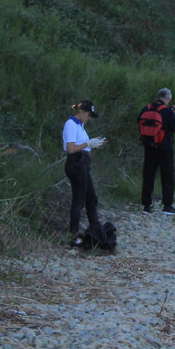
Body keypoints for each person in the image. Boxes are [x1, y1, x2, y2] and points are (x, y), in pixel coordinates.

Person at [63, 100, 106, 246]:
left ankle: (96, 231)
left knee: (91, 198)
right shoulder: (71, 124)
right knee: (79, 199)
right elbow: (71, 148)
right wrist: (88, 144)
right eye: (88, 114)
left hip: (83, 163)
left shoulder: (80, 126)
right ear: (81, 111)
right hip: (76, 163)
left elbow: (83, 145)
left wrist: (95, 143)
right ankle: (74, 235)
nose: (89, 118)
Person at [138, 87, 175, 215]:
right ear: (167, 98)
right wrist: (174, 114)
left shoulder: (146, 108)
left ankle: (146, 206)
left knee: (148, 176)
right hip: (165, 148)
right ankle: (167, 206)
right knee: (167, 176)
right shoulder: (168, 112)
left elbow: (139, 122)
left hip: (149, 147)